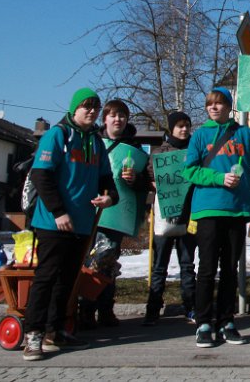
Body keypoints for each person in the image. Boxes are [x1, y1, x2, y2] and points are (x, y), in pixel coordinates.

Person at [183, 87, 250, 348]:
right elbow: (190, 172)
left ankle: (227, 321)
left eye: (219, 103)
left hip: (236, 211)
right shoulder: (200, 136)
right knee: (207, 269)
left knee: (230, 269)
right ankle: (204, 323)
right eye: (210, 104)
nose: (214, 107)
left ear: (229, 106)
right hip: (208, 210)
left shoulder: (244, 134)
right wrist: (219, 178)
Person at [22, 88, 117, 362]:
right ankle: (34, 334)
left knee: (67, 280)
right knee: (46, 277)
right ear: (74, 109)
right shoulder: (58, 135)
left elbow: (106, 179)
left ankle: (56, 329)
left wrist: (110, 197)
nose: (91, 112)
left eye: (95, 108)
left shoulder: (96, 143)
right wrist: (58, 211)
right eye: (86, 107)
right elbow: (42, 175)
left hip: (82, 222)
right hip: (54, 222)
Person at [79, 99, 149, 329]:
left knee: (107, 262)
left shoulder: (135, 149)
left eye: (122, 115)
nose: (118, 119)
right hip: (88, 211)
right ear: (105, 119)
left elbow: (145, 184)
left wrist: (136, 179)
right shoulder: (91, 142)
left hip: (116, 215)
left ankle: (105, 309)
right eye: (113, 115)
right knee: (88, 263)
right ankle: (86, 311)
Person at [143, 111, 197, 326]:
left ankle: (191, 307)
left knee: (187, 265)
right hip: (165, 216)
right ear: (171, 128)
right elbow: (149, 175)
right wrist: (156, 183)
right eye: (180, 126)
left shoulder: (195, 150)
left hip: (188, 216)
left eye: (187, 126)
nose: (184, 130)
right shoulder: (160, 152)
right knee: (159, 267)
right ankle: (153, 309)